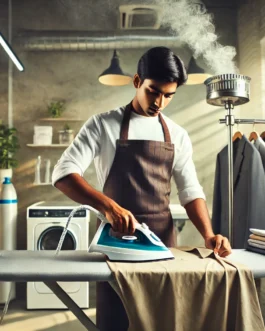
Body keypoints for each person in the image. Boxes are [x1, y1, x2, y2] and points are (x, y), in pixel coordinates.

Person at [52, 46, 231, 331]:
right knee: (117, 323)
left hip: (162, 244)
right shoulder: (102, 125)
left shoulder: (178, 135)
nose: (160, 101)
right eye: (153, 91)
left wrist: (208, 235)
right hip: (117, 246)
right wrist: (108, 206)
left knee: (165, 321)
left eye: (168, 95)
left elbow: (190, 190)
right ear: (137, 82)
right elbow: (63, 173)